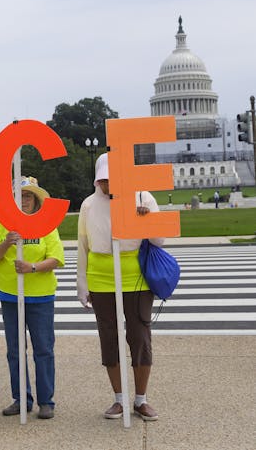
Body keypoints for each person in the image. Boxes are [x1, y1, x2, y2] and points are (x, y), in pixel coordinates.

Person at [76, 153, 163, 421]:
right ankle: (118, 399)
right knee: (109, 338)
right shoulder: (89, 205)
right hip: (101, 277)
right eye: (103, 180)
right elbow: (82, 245)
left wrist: (145, 219)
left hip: (134, 277)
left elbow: (159, 241)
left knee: (139, 337)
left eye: (112, 179)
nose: (108, 185)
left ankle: (141, 399)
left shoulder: (143, 197)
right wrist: (82, 282)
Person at [0, 176, 64, 420]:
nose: (23, 201)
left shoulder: (46, 225)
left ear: (36, 199)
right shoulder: (4, 224)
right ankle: (21, 398)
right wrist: (6, 243)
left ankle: (46, 401)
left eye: (28, 196)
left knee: (43, 349)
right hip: (11, 295)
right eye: (19, 197)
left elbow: (56, 258)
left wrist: (32, 267)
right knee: (15, 350)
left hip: (40, 296)